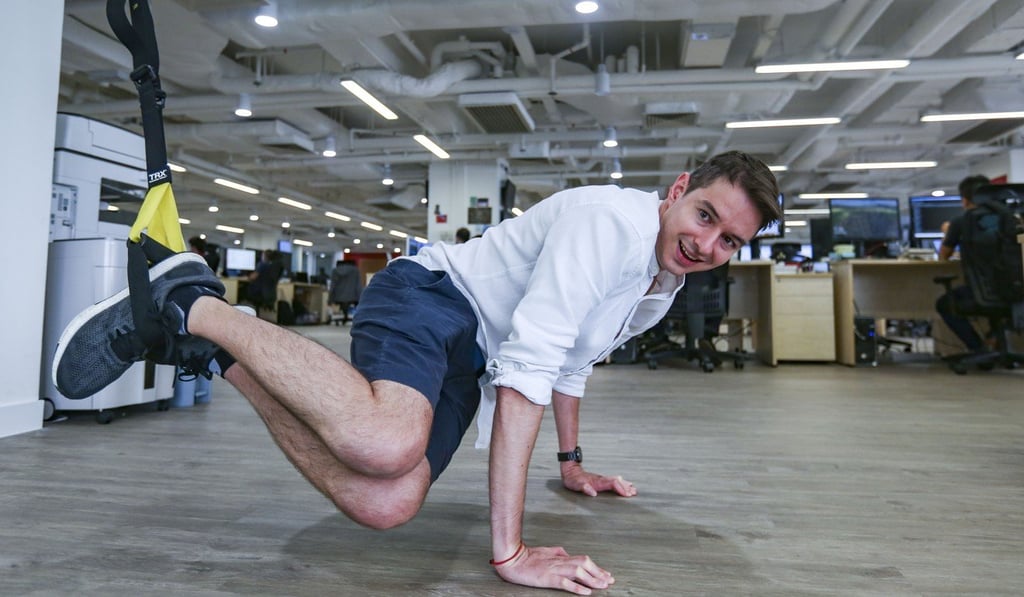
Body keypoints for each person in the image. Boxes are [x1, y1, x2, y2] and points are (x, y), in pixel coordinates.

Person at [52, 151, 781, 594]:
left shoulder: (661, 283)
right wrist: (510, 552)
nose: (707, 243)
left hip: (472, 354)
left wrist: (572, 463)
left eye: (729, 240)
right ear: (678, 188)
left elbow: (567, 368)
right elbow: (527, 374)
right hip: (432, 294)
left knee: (386, 503)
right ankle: (191, 299)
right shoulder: (610, 226)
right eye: (705, 215)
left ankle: (214, 352)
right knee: (383, 441)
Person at [935, 174, 991, 352]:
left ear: (965, 200)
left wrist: (948, 232)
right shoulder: (1009, 219)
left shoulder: (961, 221)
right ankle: (996, 340)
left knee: (943, 304)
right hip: (1014, 291)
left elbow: (943, 256)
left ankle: (978, 348)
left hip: (979, 292)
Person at [328, 259, 362, 325]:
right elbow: (358, 285)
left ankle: (344, 317)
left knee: (343, 302)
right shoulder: (356, 271)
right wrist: (360, 298)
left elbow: (332, 285)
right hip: (352, 296)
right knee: (347, 302)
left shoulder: (335, 271)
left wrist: (330, 298)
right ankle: (345, 317)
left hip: (338, 296)